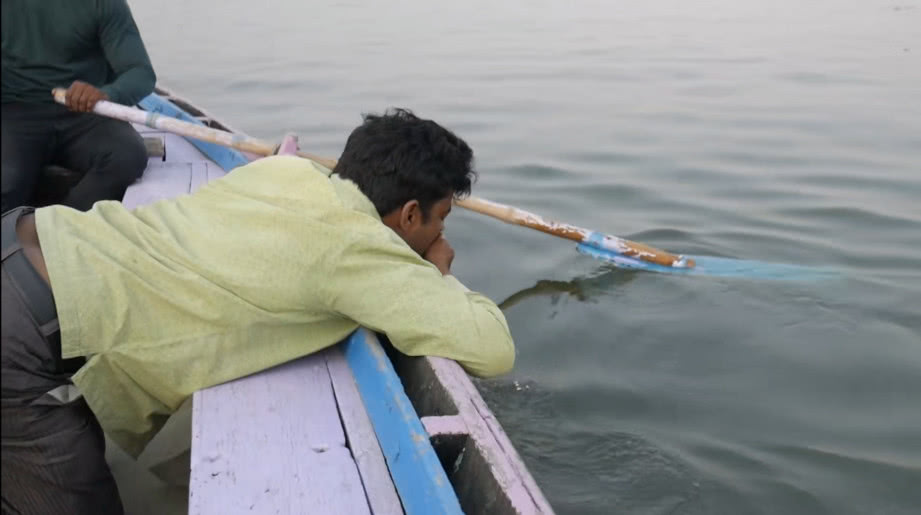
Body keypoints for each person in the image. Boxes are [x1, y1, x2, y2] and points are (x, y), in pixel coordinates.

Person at [0, 108, 515, 514]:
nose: (440, 235)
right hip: (24, 329)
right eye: (441, 219)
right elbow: (493, 348)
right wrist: (432, 270)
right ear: (408, 215)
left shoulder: (287, 170)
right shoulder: (354, 247)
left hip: (28, 234)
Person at [1, 0, 157, 213]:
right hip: (14, 112)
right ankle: (13, 234)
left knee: (127, 156)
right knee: (7, 177)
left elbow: (140, 73)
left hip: (85, 113)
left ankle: (62, 226)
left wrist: (106, 94)